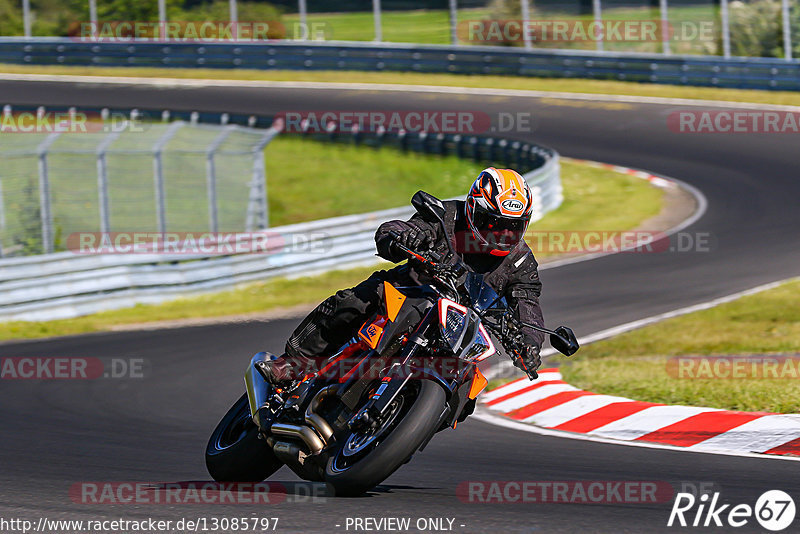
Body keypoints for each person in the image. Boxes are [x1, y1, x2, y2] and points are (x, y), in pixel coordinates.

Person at [262, 167, 545, 385]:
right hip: (410, 290)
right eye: (493, 224)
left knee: (469, 388)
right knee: (357, 300)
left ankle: (406, 424)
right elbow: (402, 227)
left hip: (461, 329)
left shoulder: (521, 261)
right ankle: (293, 364)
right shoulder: (447, 216)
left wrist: (530, 344)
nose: (502, 234)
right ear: (473, 210)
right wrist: (402, 236)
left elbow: (527, 307)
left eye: (513, 227)